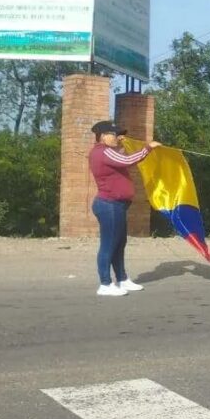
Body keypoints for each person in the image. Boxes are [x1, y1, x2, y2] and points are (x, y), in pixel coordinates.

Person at [87, 121, 161, 296]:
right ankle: (105, 284)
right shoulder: (102, 151)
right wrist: (148, 148)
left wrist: (121, 144)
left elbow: (120, 158)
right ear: (103, 136)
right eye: (114, 135)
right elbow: (128, 160)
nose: (117, 138)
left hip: (116, 206)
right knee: (109, 244)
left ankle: (122, 279)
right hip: (108, 205)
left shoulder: (107, 152)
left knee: (119, 244)